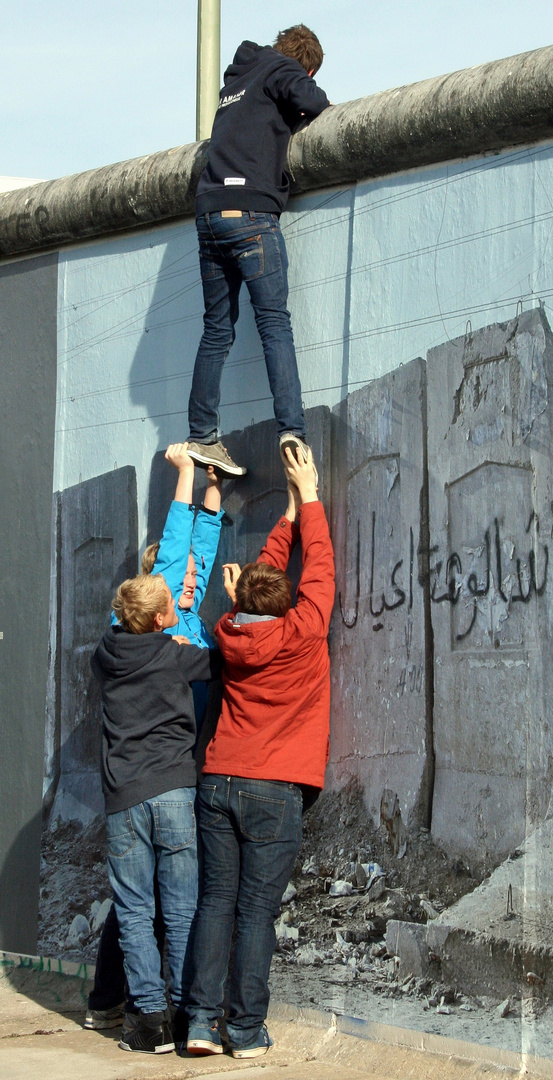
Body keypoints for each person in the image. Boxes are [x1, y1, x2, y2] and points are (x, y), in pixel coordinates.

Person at [185, 445, 335, 1058]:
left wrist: (293, 511)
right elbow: (319, 568)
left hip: (218, 780)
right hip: (275, 790)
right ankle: (243, 1031)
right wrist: (313, 496)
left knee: (216, 903)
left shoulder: (229, 630)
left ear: (240, 597)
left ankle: (198, 1023)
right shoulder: (304, 630)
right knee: (254, 913)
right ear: (286, 602)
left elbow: (268, 571)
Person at [85, 444, 225, 1038]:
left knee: (150, 909)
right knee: (143, 911)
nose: (190, 580)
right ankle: (135, 1002)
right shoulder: (177, 652)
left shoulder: (112, 651)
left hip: (143, 791)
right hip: (167, 789)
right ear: (159, 603)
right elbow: (175, 551)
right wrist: (187, 473)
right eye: (177, 583)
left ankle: (150, 1013)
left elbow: (197, 547)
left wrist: (213, 487)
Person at [186, 24, 331, 478]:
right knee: (273, 324)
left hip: (209, 215)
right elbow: (315, 102)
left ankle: (203, 436)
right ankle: (292, 430)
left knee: (216, 330)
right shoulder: (284, 70)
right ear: (304, 64)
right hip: (250, 215)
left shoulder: (238, 79)